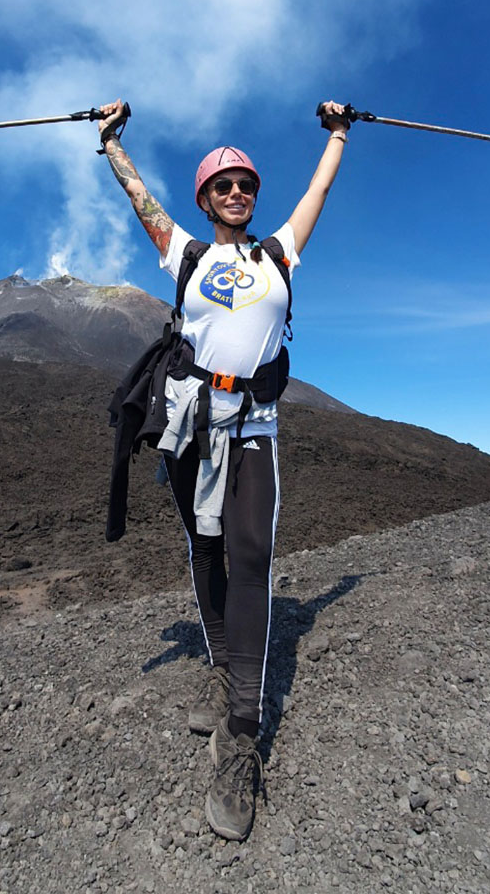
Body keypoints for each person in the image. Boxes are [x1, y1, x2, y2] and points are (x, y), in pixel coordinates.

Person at [97, 98, 350, 841]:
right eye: (222, 186)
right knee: (204, 548)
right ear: (205, 199)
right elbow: (138, 197)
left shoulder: (279, 255)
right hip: (190, 424)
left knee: (252, 556)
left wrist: (338, 133)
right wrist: (111, 142)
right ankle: (220, 662)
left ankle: (239, 736)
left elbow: (319, 194)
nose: (236, 193)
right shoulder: (187, 255)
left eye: (245, 185)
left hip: (255, 428)